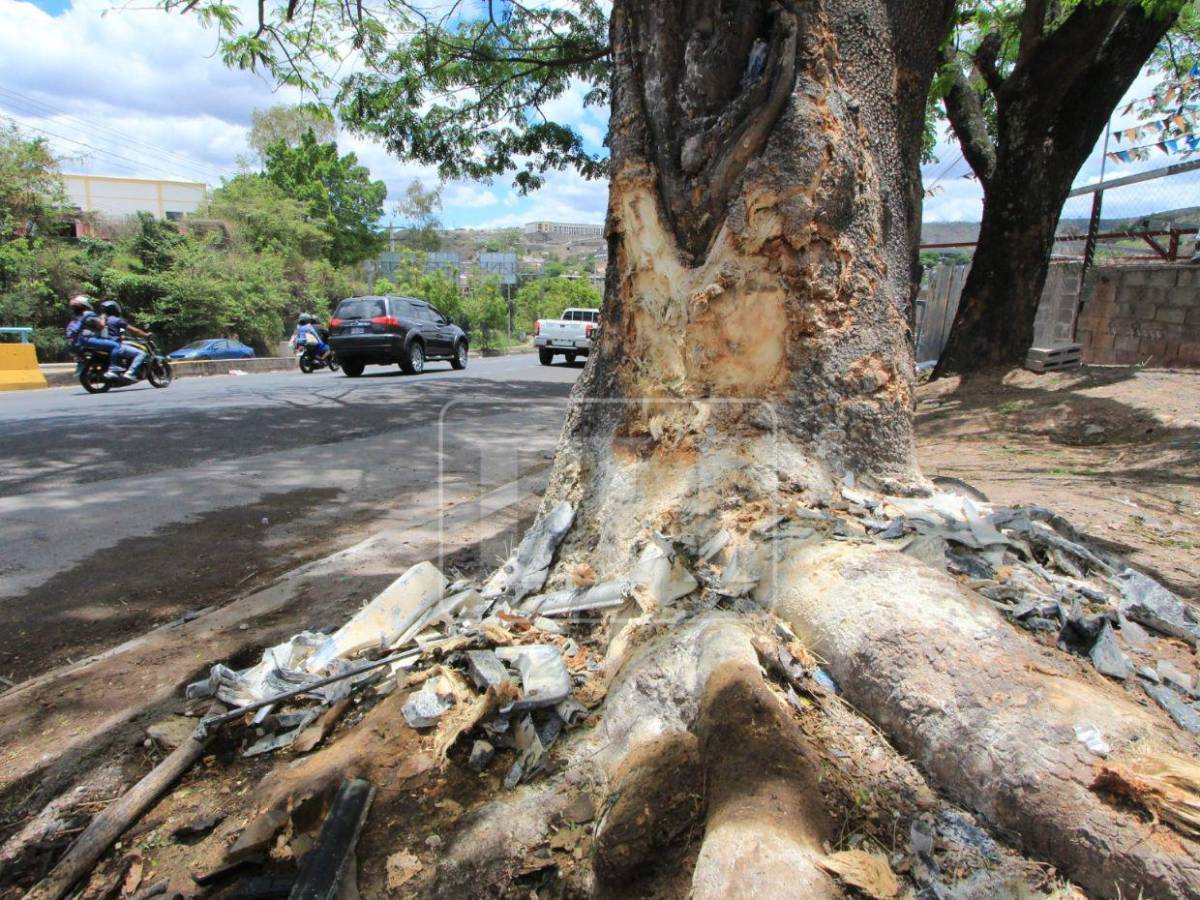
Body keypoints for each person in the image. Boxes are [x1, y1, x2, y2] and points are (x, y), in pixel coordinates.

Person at [64, 295, 126, 381]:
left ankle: (83, 365)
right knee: (116, 346)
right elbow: (102, 325)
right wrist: (103, 318)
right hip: (89, 340)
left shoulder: (75, 316)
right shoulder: (90, 314)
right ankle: (113, 367)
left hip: (75, 342)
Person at [98, 300, 147, 380]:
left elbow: (120, 329)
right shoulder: (117, 320)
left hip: (103, 345)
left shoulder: (101, 320)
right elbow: (134, 330)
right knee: (141, 353)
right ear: (114, 309)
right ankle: (130, 373)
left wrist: (121, 334)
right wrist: (146, 334)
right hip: (115, 345)